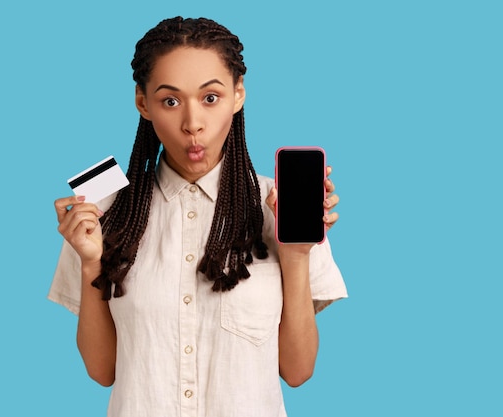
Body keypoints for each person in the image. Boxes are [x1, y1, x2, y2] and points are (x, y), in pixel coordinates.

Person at [49, 16, 347, 417]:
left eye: (211, 98)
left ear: (238, 95)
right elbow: (102, 371)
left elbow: (297, 371)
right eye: (170, 101)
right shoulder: (102, 211)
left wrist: (295, 255)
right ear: (143, 102)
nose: (193, 124)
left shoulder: (282, 208)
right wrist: (90, 263)